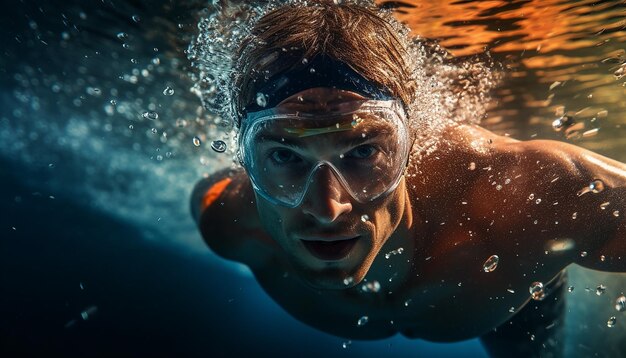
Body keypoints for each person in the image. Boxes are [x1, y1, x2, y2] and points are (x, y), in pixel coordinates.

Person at [190, 1, 626, 356]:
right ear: (245, 159)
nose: (327, 208)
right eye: (285, 155)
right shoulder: (226, 219)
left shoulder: (529, 195)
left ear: (412, 147)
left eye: (362, 151)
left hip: (520, 304)